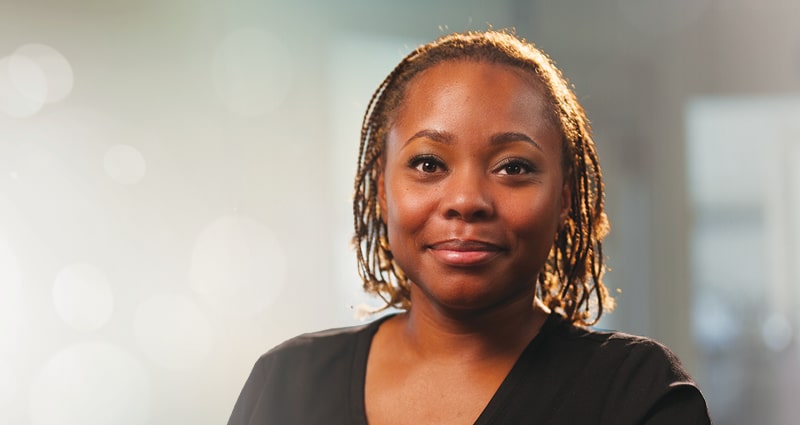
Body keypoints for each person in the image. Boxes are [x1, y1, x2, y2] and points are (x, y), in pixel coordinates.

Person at [227, 30, 711, 425]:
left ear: (564, 197)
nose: (465, 201)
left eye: (514, 168)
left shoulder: (637, 393)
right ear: (380, 188)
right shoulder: (287, 383)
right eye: (428, 163)